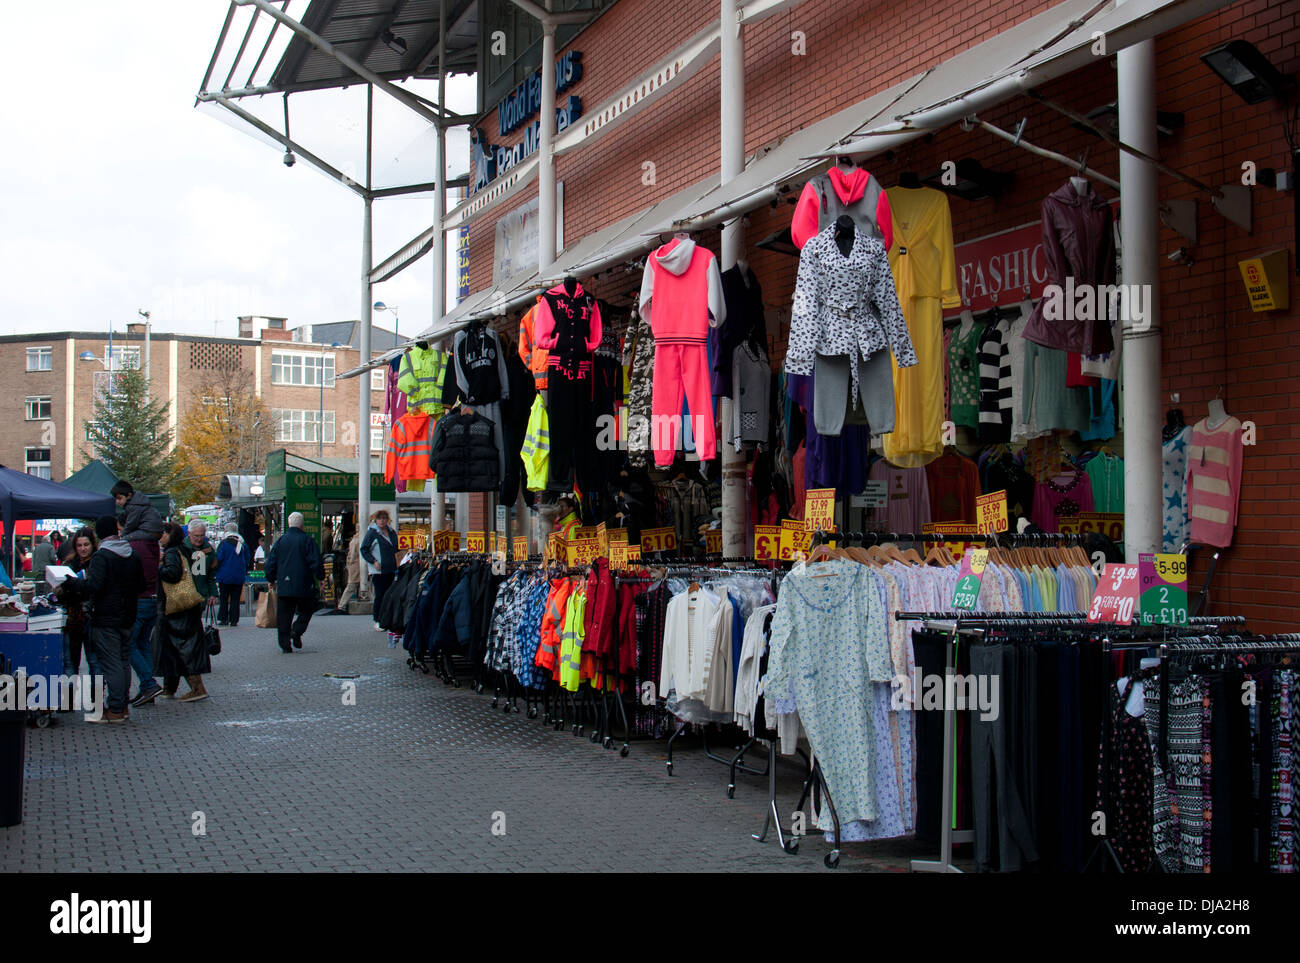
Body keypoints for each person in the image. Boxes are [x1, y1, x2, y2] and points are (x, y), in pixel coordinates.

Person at [83, 516, 145, 723]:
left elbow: (94, 586)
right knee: (123, 661)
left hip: (107, 617)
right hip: (128, 615)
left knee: (112, 664)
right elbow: (142, 584)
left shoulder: (102, 556)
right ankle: (123, 706)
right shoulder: (132, 555)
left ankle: (116, 708)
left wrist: (75, 585)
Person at [156, 522, 210, 702]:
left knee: (181, 648)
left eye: (162, 534)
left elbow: (174, 574)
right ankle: (169, 688)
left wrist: (159, 567)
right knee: (174, 648)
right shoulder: (185, 550)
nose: (159, 537)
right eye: (196, 535)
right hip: (188, 605)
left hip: (178, 607)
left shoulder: (172, 552)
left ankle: (197, 688)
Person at [264, 512, 325, 653]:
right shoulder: (307, 540)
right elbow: (316, 561)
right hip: (304, 584)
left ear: (289, 524)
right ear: (302, 524)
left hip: (285, 585)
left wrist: (271, 579)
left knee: (284, 615)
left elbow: (271, 562)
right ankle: (297, 630)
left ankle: (285, 644)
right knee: (307, 609)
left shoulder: (280, 541)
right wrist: (320, 577)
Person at [52, 526, 99, 680]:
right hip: (72, 617)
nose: (83, 549)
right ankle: (70, 699)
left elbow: (97, 590)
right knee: (71, 661)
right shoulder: (70, 563)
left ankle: (96, 700)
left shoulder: (98, 562)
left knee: (94, 661)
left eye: (86, 545)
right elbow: (59, 590)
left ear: (92, 544)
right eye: (79, 545)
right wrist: (59, 590)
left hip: (92, 617)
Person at [359, 510, 397, 632]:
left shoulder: (392, 532)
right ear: (375, 520)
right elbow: (364, 549)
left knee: (389, 595)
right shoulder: (372, 533)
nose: (382, 521)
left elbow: (396, 547)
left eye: (384, 518)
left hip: (391, 568)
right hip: (378, 570)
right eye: (379, 518)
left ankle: (387, 619)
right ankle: (377, 619)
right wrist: (373, 561)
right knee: (380, 595)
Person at [214, 523, 249, 626]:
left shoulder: (224, 544)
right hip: (238, 576)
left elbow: (219, 559)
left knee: (224, 598)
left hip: (224, 576)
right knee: (235, 598)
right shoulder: (243, 544)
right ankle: (234, 619)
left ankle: (223, 618)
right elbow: (247, 559)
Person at [335, 528, 363, 612]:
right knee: (352, 585)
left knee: (355, 585)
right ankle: (341, 605)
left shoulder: (354, 539)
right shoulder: (359, 540)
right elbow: (356, 554)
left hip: (353, 565)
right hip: (357, 565)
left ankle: (341, 605)